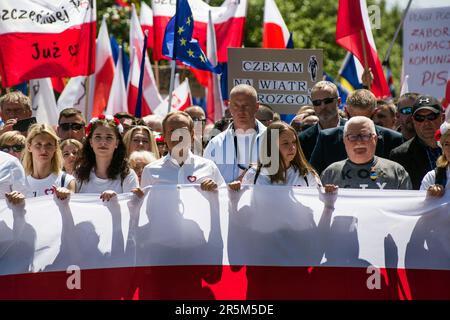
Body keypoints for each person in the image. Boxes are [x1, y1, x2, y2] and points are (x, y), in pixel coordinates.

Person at [310, 89, 403, 174]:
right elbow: (313, 177)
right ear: (346, 112)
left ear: (374, 113)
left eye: (364, 120)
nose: (358, 127)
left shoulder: (393, 140)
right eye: (354, 120)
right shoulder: (327, 138)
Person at [141, 111, 225, 190]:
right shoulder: (150, 171)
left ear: (192, 135)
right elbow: (144, 204)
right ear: (165, 136)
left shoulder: (209, 167)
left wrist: (216, 189)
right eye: (172, 131)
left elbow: (224, 198)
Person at [321, 117, 411, 190]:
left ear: (375, 139)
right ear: (344, 140)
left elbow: (407, 208)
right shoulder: (330, 174)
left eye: (365, 136)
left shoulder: (396, 172)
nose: (359, 142)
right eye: (353, 137)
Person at [204, 84, 266, 183]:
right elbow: (204, 178)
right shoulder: (215, 144)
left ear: (256, 106)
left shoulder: (274, 140)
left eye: (246, 105)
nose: (241, 111)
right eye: (236, 105)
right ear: (230, 107)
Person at [74, 115, 139, 200]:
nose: (103, 143)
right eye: (98, 137)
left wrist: (116, 199)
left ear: (117, 143)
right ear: (91, 142)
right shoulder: (79, 173)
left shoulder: (127, 175)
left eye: (109, 138)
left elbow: (133, 205)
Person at [239, 122, 322, 187]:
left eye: (294, 142)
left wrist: (329, 194)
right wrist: (234, 192)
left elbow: (319, 203)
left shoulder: (307, 175)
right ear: (271, 146)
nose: (292, 147)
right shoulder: (254, 174)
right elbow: (242, 204)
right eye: (285, 143)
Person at [390, 95, 444, 190]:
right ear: (413, 120)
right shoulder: (400, 155)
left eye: (431, 116)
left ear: (442, 117)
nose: (426, 123)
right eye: (419, 118)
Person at [22, 124, 75, 199]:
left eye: (49, 145)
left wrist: (67, 197)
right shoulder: (21, 182)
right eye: (38, 144)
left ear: (55, 148)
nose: (44, 150)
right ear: (29, 147)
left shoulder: (66, 180)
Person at [299, 81, 346, 160]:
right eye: (317, 102)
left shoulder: (353, 131)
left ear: (338, 102)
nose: (322, 106)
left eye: (327, 101)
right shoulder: (303, 139)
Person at [420, 121, 450, 196]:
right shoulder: (432, 177)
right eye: (446, 144)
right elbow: (420, 205)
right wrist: (429, 196)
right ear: (442, 148)